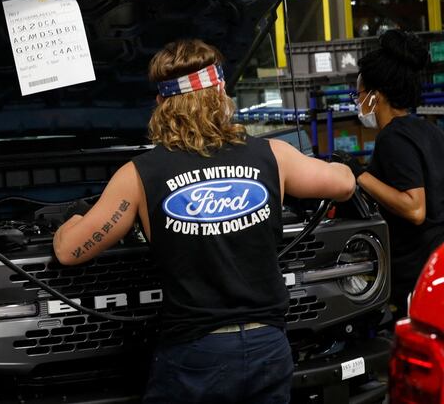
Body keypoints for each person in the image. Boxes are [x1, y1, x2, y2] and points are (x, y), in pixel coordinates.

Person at [53, 39, 355, 403]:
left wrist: (72, 217)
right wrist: (338, 163)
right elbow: (344, 183)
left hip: (195, 356)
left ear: (162, 105)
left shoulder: (138, 175)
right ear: (221, 95)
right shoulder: (273, 155)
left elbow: (70, 251)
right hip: (268, 346)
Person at [339, 29, 444, 318]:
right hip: (436, 266)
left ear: (376, 97)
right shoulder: (427, 129)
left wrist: (359, 174)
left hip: (415, 274)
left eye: (358, 94)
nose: (357, 101)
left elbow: (415, 208)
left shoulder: (393, 138)